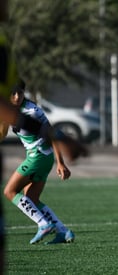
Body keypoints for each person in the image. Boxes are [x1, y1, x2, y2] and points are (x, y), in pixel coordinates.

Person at [3, 82, 75, 244]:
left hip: (37, 157)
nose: (16, 97)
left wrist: (61, 163)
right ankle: (63, 231)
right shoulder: (17, 109)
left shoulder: (31, 111)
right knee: (32, 198)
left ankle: (43, 224)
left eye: (19, 93)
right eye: (13, 94)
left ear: (24, 93)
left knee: (9, 192)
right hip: (44, 157)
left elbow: (53, 134)